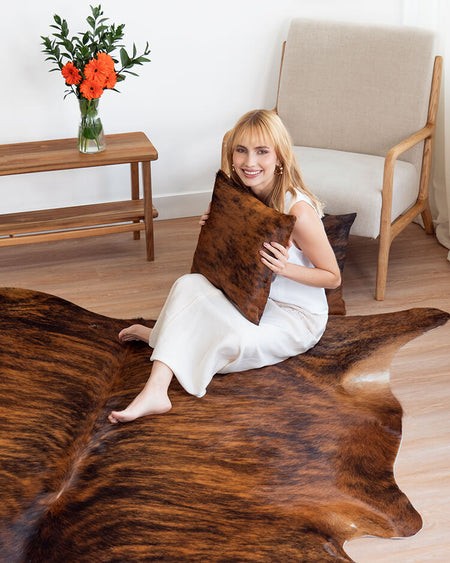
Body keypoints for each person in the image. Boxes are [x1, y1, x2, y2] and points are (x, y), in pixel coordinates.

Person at [108, 109, 341, 424]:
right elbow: (228, 264)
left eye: (262, 151)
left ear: (279, 157)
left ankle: (162, 338)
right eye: (241, 150)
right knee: (188, 285)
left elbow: (333, 278)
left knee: (225, 342)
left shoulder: (298, 212)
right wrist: (217, 229)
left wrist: (285, 268)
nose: (249, 162)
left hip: (294, 319)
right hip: (250, 300)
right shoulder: (239, 195)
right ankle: (156, 390)